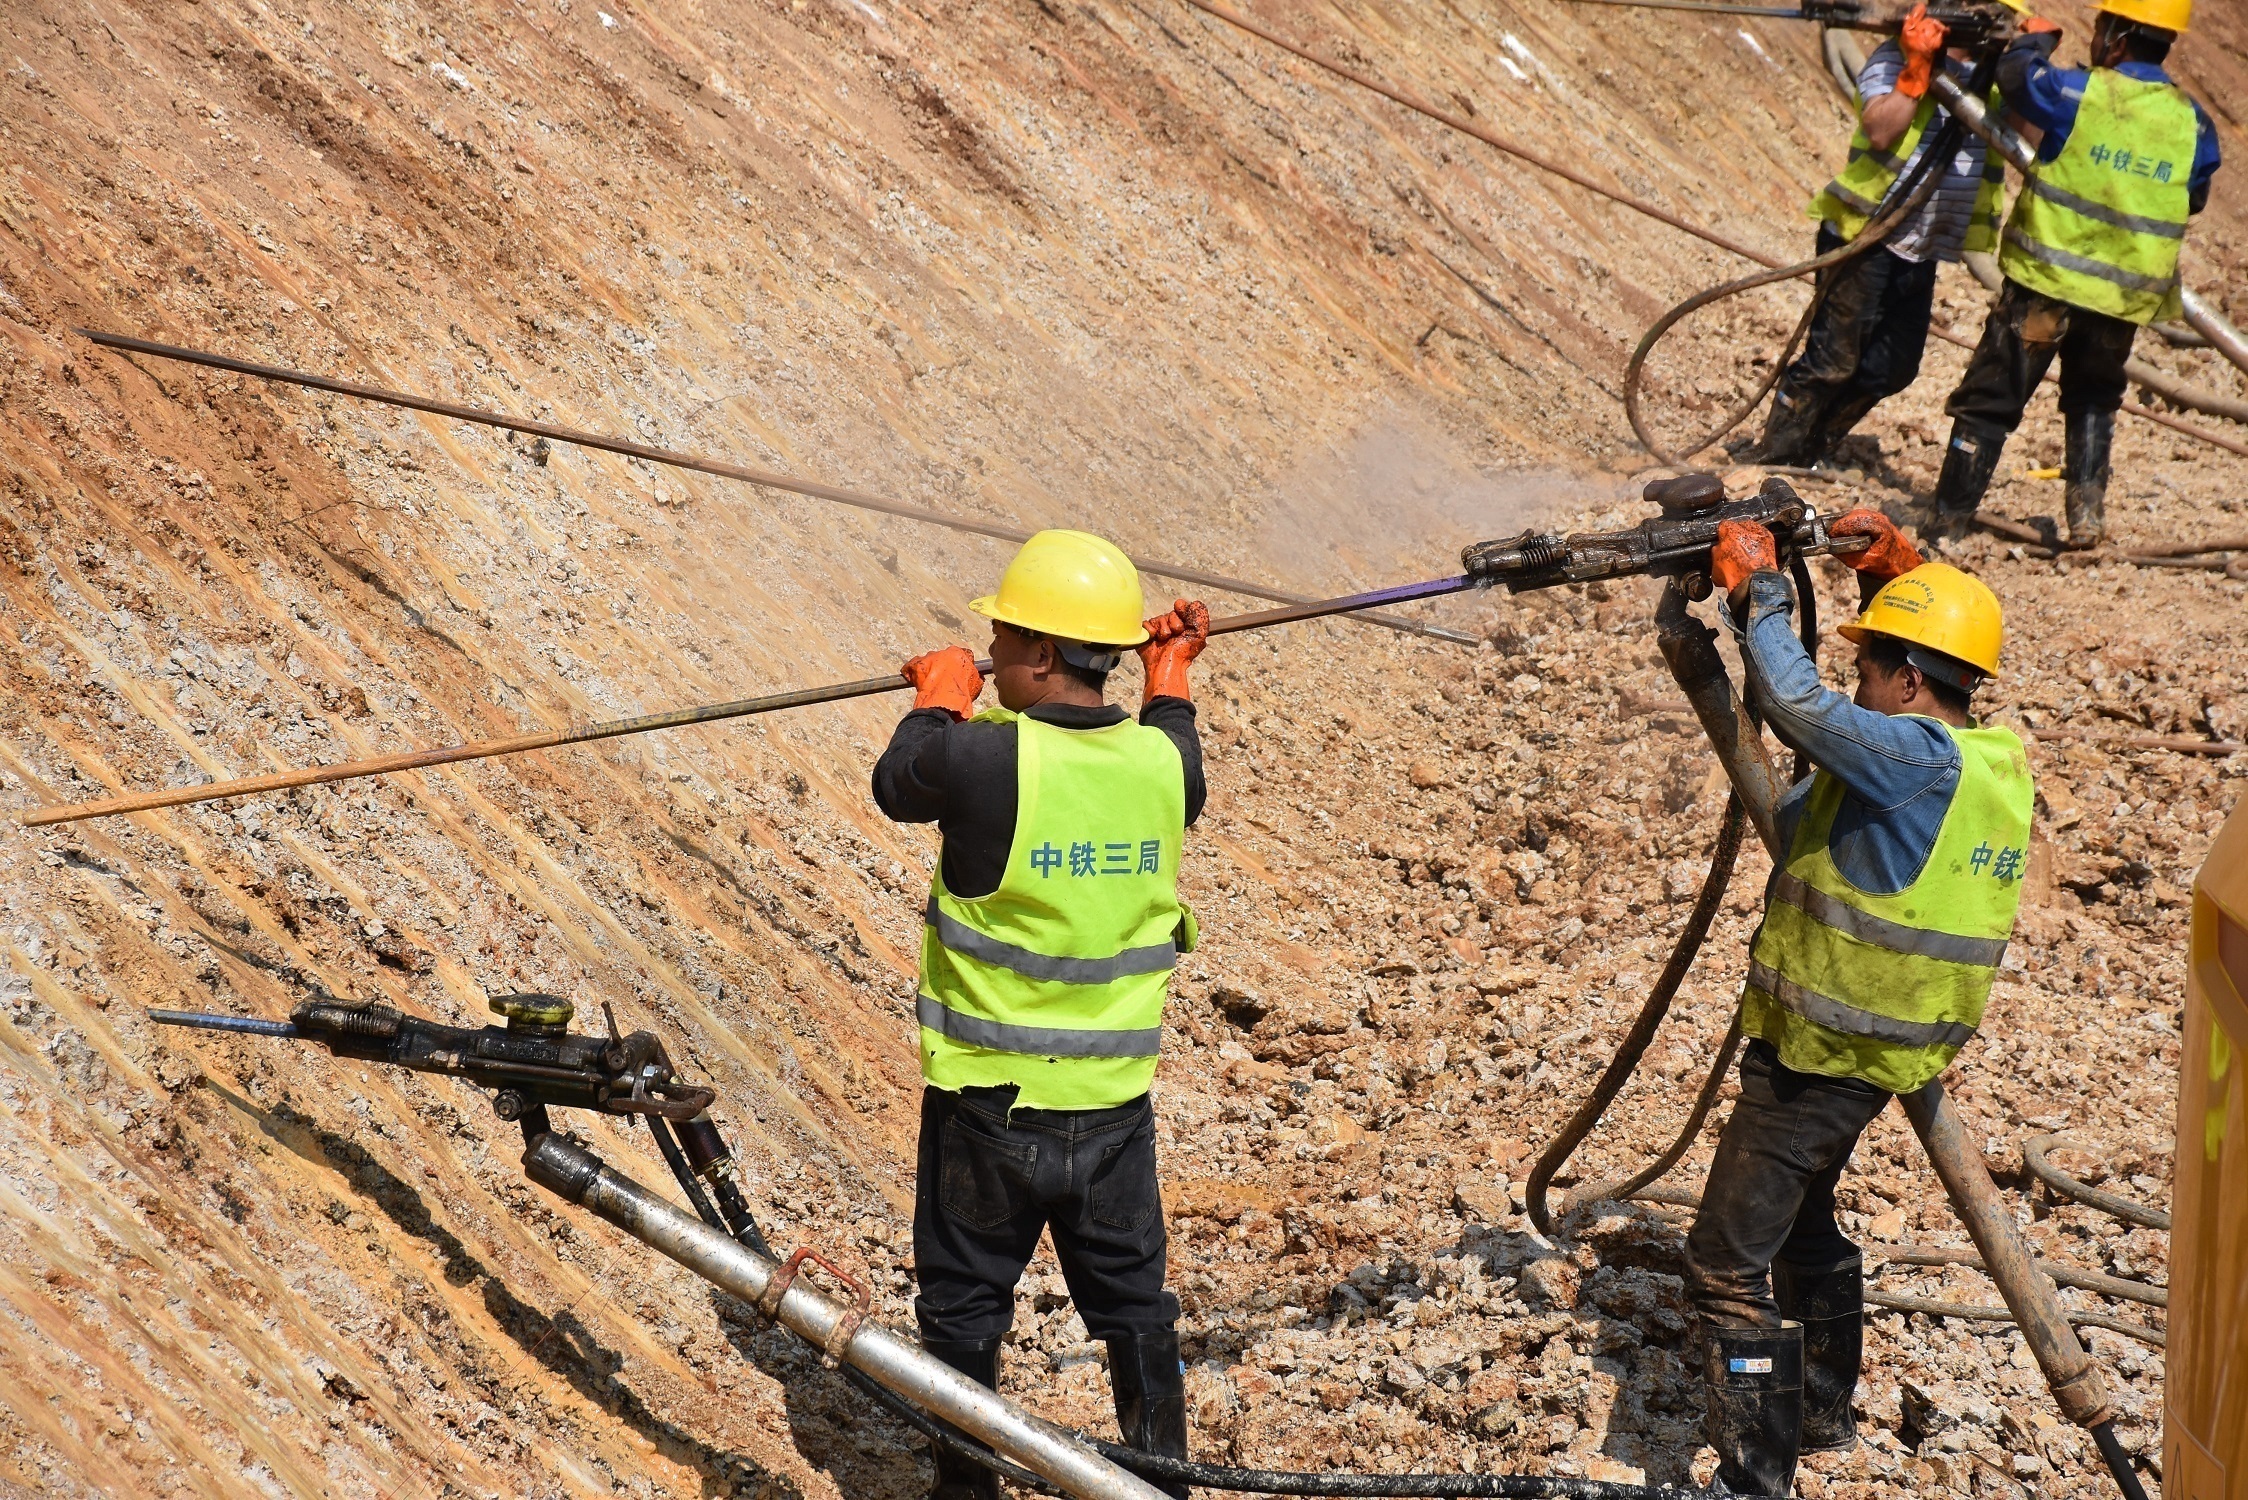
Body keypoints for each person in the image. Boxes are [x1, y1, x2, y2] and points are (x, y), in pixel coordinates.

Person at [1682, 512, 2033, 1494]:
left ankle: (1756, 1471)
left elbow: (1796, 705)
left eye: (1871, 668)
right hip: (1879, 1052)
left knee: (1722, 1265)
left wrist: (1761, 596)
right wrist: (1900, 576)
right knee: (1802, 1227)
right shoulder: (1982, 759)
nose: (1859, 687)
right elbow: (1890, 687)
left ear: (1910, 682)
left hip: (1816, 1055)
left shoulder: (1905, 757)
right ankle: (1826, 1407)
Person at [871, 528, 1211, 1500]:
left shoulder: (983, 761)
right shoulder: (1161, 768)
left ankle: (965, 1490)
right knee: (1134, 1312)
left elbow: (901, 781)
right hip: (1112, 1115)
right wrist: (1172, 667)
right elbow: (1177, 735)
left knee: (964, 1311)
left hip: (986, 1110)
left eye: (1004, 638)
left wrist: (940, 693)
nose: (992, 652)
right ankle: (1163, 1484)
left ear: (1043, 656)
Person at [1927, 0, 2219, 547]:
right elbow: (2194, 195)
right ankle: (2087, 520)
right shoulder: (2193, 121)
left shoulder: (2082, 93)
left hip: (2046, 286)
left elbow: (2018, 79)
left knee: (1992, 399)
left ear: (2118, 35)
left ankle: (1946, 523)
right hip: (2120, 302)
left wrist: (2037, 37)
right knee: (2092, 396)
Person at [1758, 3, 2003, 467]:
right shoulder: (1896, 57)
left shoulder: (1995, 81)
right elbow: (1880, 129)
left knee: (1893, 366)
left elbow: (2030, 135)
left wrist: (2026, 64)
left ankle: (1811, 449)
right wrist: (1916, 70)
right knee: (1832, 361)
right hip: (1865, 235)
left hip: (1922, 246)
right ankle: (1775, 458)